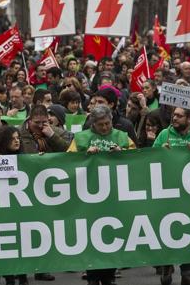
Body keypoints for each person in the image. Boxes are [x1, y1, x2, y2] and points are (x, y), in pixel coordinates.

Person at [66, 105, 134, 285]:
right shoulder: (81, 138)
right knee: (91, 237)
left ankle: (109, 276)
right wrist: (84, 155)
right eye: (101, 125)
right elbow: (66, 162)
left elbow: (138, 159)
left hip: (115, 196)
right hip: (89, 198)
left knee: (112, 236)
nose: (105, 128)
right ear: (93, 124)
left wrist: (123, 153)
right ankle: (93, 276)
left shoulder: (122, 137)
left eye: (107, 123)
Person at [153, 105, 190, 285]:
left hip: (189, 194)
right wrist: (161, 151)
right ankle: (167, 265)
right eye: (173, 115)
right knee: (167, 229)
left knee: (188, 232)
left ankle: (187, 272)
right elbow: (149, 160)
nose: (174, 118)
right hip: (166, 192)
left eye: (179, 116)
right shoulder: (163, 135)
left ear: (189, 119)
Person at [0, 126, 28, 285]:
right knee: (7, 246)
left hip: (20, 210)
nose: (17, 140)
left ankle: (23, 277)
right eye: (12, 138)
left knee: (23, 244)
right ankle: (9, 278)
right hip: (3, 211)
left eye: (18, 137)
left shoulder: (24, 158)